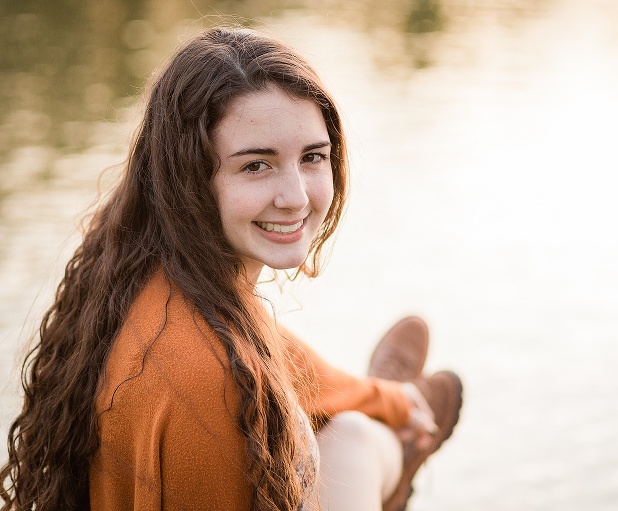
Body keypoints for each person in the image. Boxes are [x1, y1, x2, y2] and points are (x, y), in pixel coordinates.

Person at [0, 26, 462, 511]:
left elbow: (279, 356)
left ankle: (398, 407)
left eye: (312, 157)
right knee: (357, 440)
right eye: (256, 165)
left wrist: (384, 398)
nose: (296, 198)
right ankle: (403, 441)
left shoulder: (160, 276)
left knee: (351, 424)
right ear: (190, 177)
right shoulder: (201, 386)